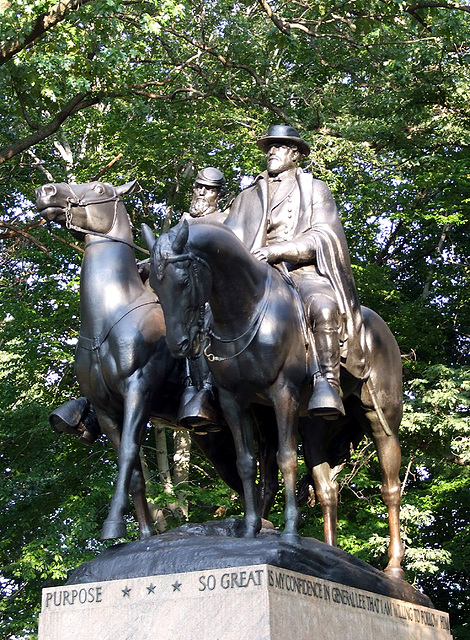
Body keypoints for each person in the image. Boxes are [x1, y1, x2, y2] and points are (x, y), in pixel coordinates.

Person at [224, 124, 368, 419]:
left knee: (324, 307)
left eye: (279, 146)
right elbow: (227, 235)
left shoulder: (314, 189)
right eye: (269, 147)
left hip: (299, 271)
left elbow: (323, 234)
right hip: (255, 275)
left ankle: (327, 383)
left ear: (296, 154)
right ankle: (200, 387)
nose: (271, 151)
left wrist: (279, 250)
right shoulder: (247, 196)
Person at [177, 167, 227, 430]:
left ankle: (206, 390)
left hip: (211, 294)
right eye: (198, 186)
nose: (200, 192)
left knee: (204, 320)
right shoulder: (182, 223)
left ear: (218, 194)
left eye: (208, 189)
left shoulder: (226, 220)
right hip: (179, 294)